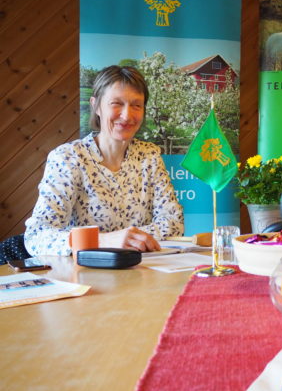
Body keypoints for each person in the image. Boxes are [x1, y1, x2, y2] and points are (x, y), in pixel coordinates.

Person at [24, 65, 184, 256]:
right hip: (84, 278)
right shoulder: (68, 158)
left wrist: (127, 239)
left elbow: (174, 224)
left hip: (143, 275)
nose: (127, 115)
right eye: (116, 103)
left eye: (136, 105)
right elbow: (37, 236)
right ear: (96, 105)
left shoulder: (150, 156)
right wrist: (104, 240)